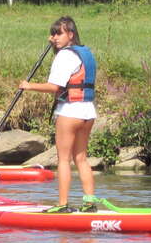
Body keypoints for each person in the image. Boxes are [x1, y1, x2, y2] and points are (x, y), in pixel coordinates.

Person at [19, 16, 96, 213]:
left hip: (70, 112)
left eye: (59, 33)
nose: (55, 37)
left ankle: (62, 204)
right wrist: (55, 45)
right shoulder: (85, 52)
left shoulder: (64, 56)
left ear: (70, 34)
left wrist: (29, 86)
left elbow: (55, 86)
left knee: (63, 159)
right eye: (53, 34)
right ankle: (89, 203)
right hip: (88, 112)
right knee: (81, 158)